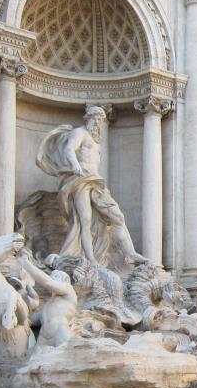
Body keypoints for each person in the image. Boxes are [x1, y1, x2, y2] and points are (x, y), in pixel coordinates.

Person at [36, 105, 146, 267]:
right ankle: (91, 259)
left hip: (96, 181)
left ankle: (130, 253)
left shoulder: (96, 140)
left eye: (100, 120)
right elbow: (69, 149)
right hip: (80, 180)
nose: (98, 123)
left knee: (117, 216)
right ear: (88, 118)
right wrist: (75, 165)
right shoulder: (79, 133)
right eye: (96, 119)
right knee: (84, 220)